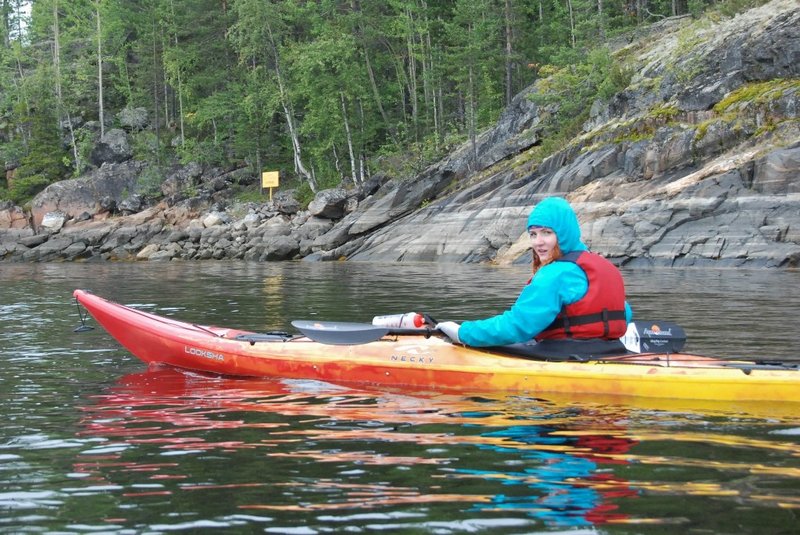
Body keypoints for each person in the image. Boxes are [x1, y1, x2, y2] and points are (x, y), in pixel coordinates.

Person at [436, 197, 632, 357]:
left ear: (564, 233)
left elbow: (518, 325)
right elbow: (626, 313)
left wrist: (463, 333)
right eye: (533, 234)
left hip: (566, 356)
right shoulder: (607, 267)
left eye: (547, 233)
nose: (538, 242)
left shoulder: (555, 274)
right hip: (612, 351)